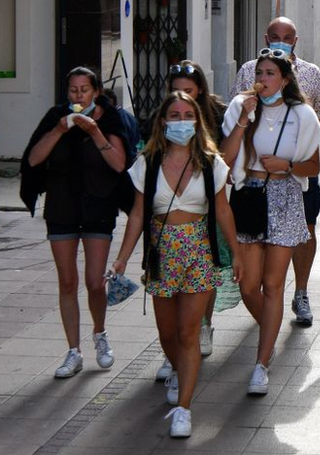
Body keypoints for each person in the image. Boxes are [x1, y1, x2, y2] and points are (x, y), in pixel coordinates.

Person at [111, 92, 242, 438]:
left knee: (188, 333)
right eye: (175, 114)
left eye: (188, 114)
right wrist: (123, 257)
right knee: (168, 334)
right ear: (163, 121)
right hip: (161, 253)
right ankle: (179, 373)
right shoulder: (148, 162)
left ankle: (184, 407)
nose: (181, 121)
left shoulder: (211, 163)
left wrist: (236, 254)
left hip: (198, 250)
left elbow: (224, 211)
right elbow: (138, 213)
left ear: (197, 121)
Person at [230, 17, 320, 326]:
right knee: (258, 238)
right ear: (266, 37)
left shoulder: (310, 73)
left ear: (295, 40)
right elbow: (234, 118)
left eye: (287, 36)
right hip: (256, 177)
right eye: (275, 36)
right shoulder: (248, 72)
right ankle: (270, 310)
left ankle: (302, 291)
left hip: (298, 173)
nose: (281, 40)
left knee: (306, 229)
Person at [222, 49, 320, 395]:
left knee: (273, 284)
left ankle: (261, 364)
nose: (262, 79)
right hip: (248, 198)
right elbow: (224, 158)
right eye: (259, 73)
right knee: (249, 286)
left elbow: (314, 167)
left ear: (285, 79)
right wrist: (242, 121)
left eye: (269, 74)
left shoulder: (303, 115)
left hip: (284, 198)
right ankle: (271, 327)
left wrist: (289, 167)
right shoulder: (240, 108)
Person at [21, 67, 129, 379]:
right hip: (62, 206)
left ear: (95, 91)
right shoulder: (56, 117)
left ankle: (100, 333)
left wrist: (95, 132)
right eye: (73, 90)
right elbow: (33, 160)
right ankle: (73, 351)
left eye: (84, 90)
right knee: (67, 281)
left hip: (98, 204)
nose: (78, 96)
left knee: (95, 281)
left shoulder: (110, 118)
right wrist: (59, 130)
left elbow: (120, 164)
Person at [157, 61, 230, 368]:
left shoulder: (218, 113)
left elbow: (229, 156)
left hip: (208, 204)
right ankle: (173, 346)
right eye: (176, 91)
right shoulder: (167, 117)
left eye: (187, 90)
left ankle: (203, 325)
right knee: (169, 284)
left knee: (206, 271)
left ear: (199, 88)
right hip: (171, 213)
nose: (181, 96)